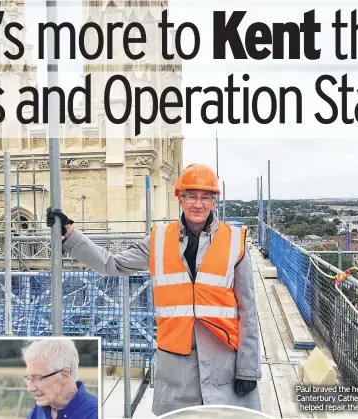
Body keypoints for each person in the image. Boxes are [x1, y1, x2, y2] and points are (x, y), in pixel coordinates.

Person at [47, 163, 261, 416]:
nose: (198, 204)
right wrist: (71, 236)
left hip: (222, 358)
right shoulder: (159, 238)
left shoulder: (235, 240)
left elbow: (247, 309)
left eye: (205, 197)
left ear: (214, 201)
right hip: (176, 361)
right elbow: (112, 264)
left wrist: (248, 368)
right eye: (191, 196)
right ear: (179, 198)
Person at [23, 339, 98, 419]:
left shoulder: (97, 413)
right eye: (28, 378)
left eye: (37, 378)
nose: (30, 388)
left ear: (64, 376)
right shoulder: (37, 411)